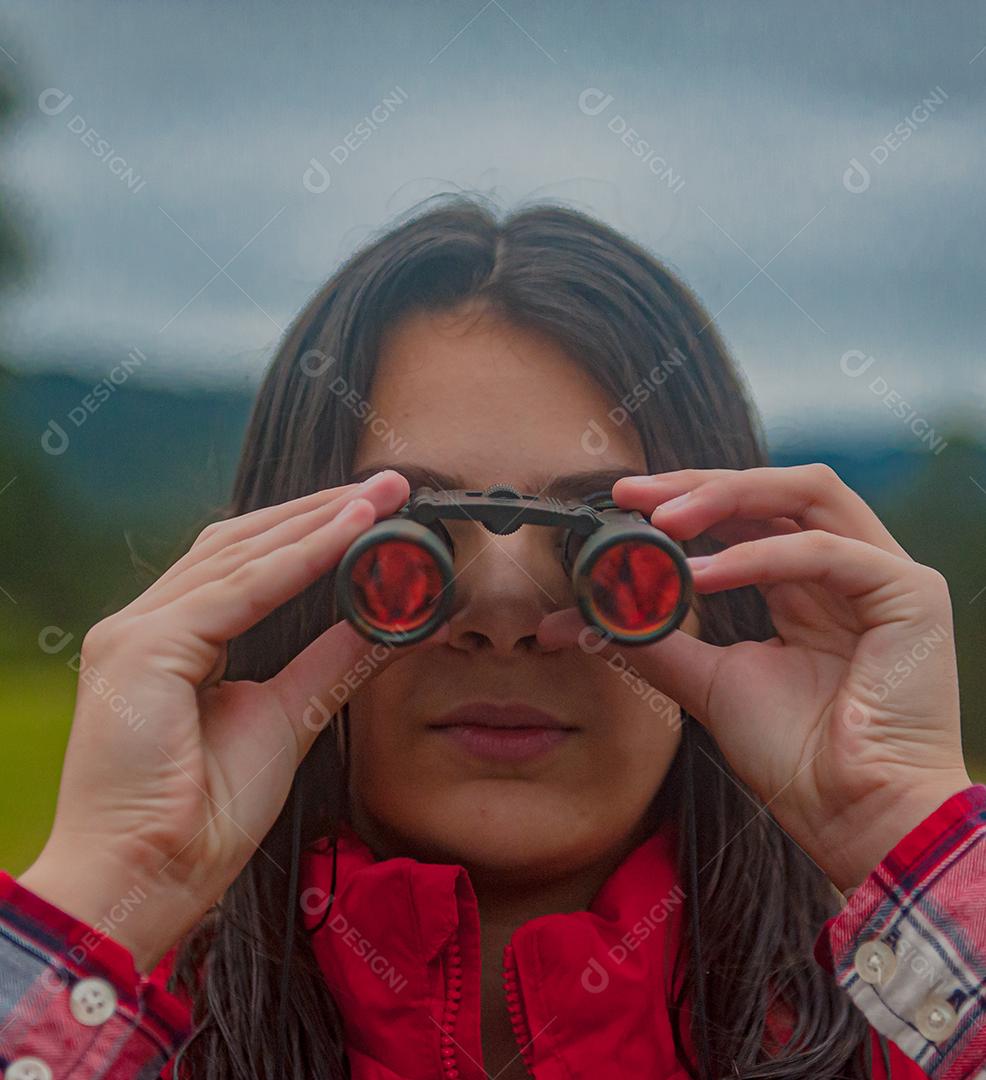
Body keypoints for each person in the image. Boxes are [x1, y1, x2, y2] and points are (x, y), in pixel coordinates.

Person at [1, 195, 981, 1080]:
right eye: (409, 549)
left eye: (604, 546)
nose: (506, 620)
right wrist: (119, 888)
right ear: (281, 586)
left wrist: (891, 819)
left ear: (727, 585)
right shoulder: (117, 1042)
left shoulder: (907, 1032)